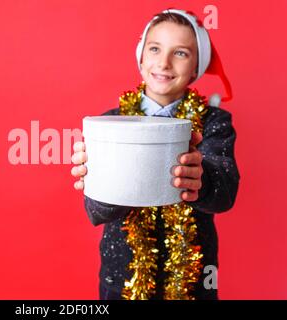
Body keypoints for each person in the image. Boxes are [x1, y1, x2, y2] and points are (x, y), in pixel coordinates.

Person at [71, 9, 239, 300]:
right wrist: (100, 181)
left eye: (181, 53)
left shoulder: (214, 121)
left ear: (197, 64)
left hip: (195, 281)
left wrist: (203, 178)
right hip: (122, 278)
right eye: (155, 48)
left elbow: (226, 193)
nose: (164, 62)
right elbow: (95, 211)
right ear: (141, 56)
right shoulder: (110, 124)